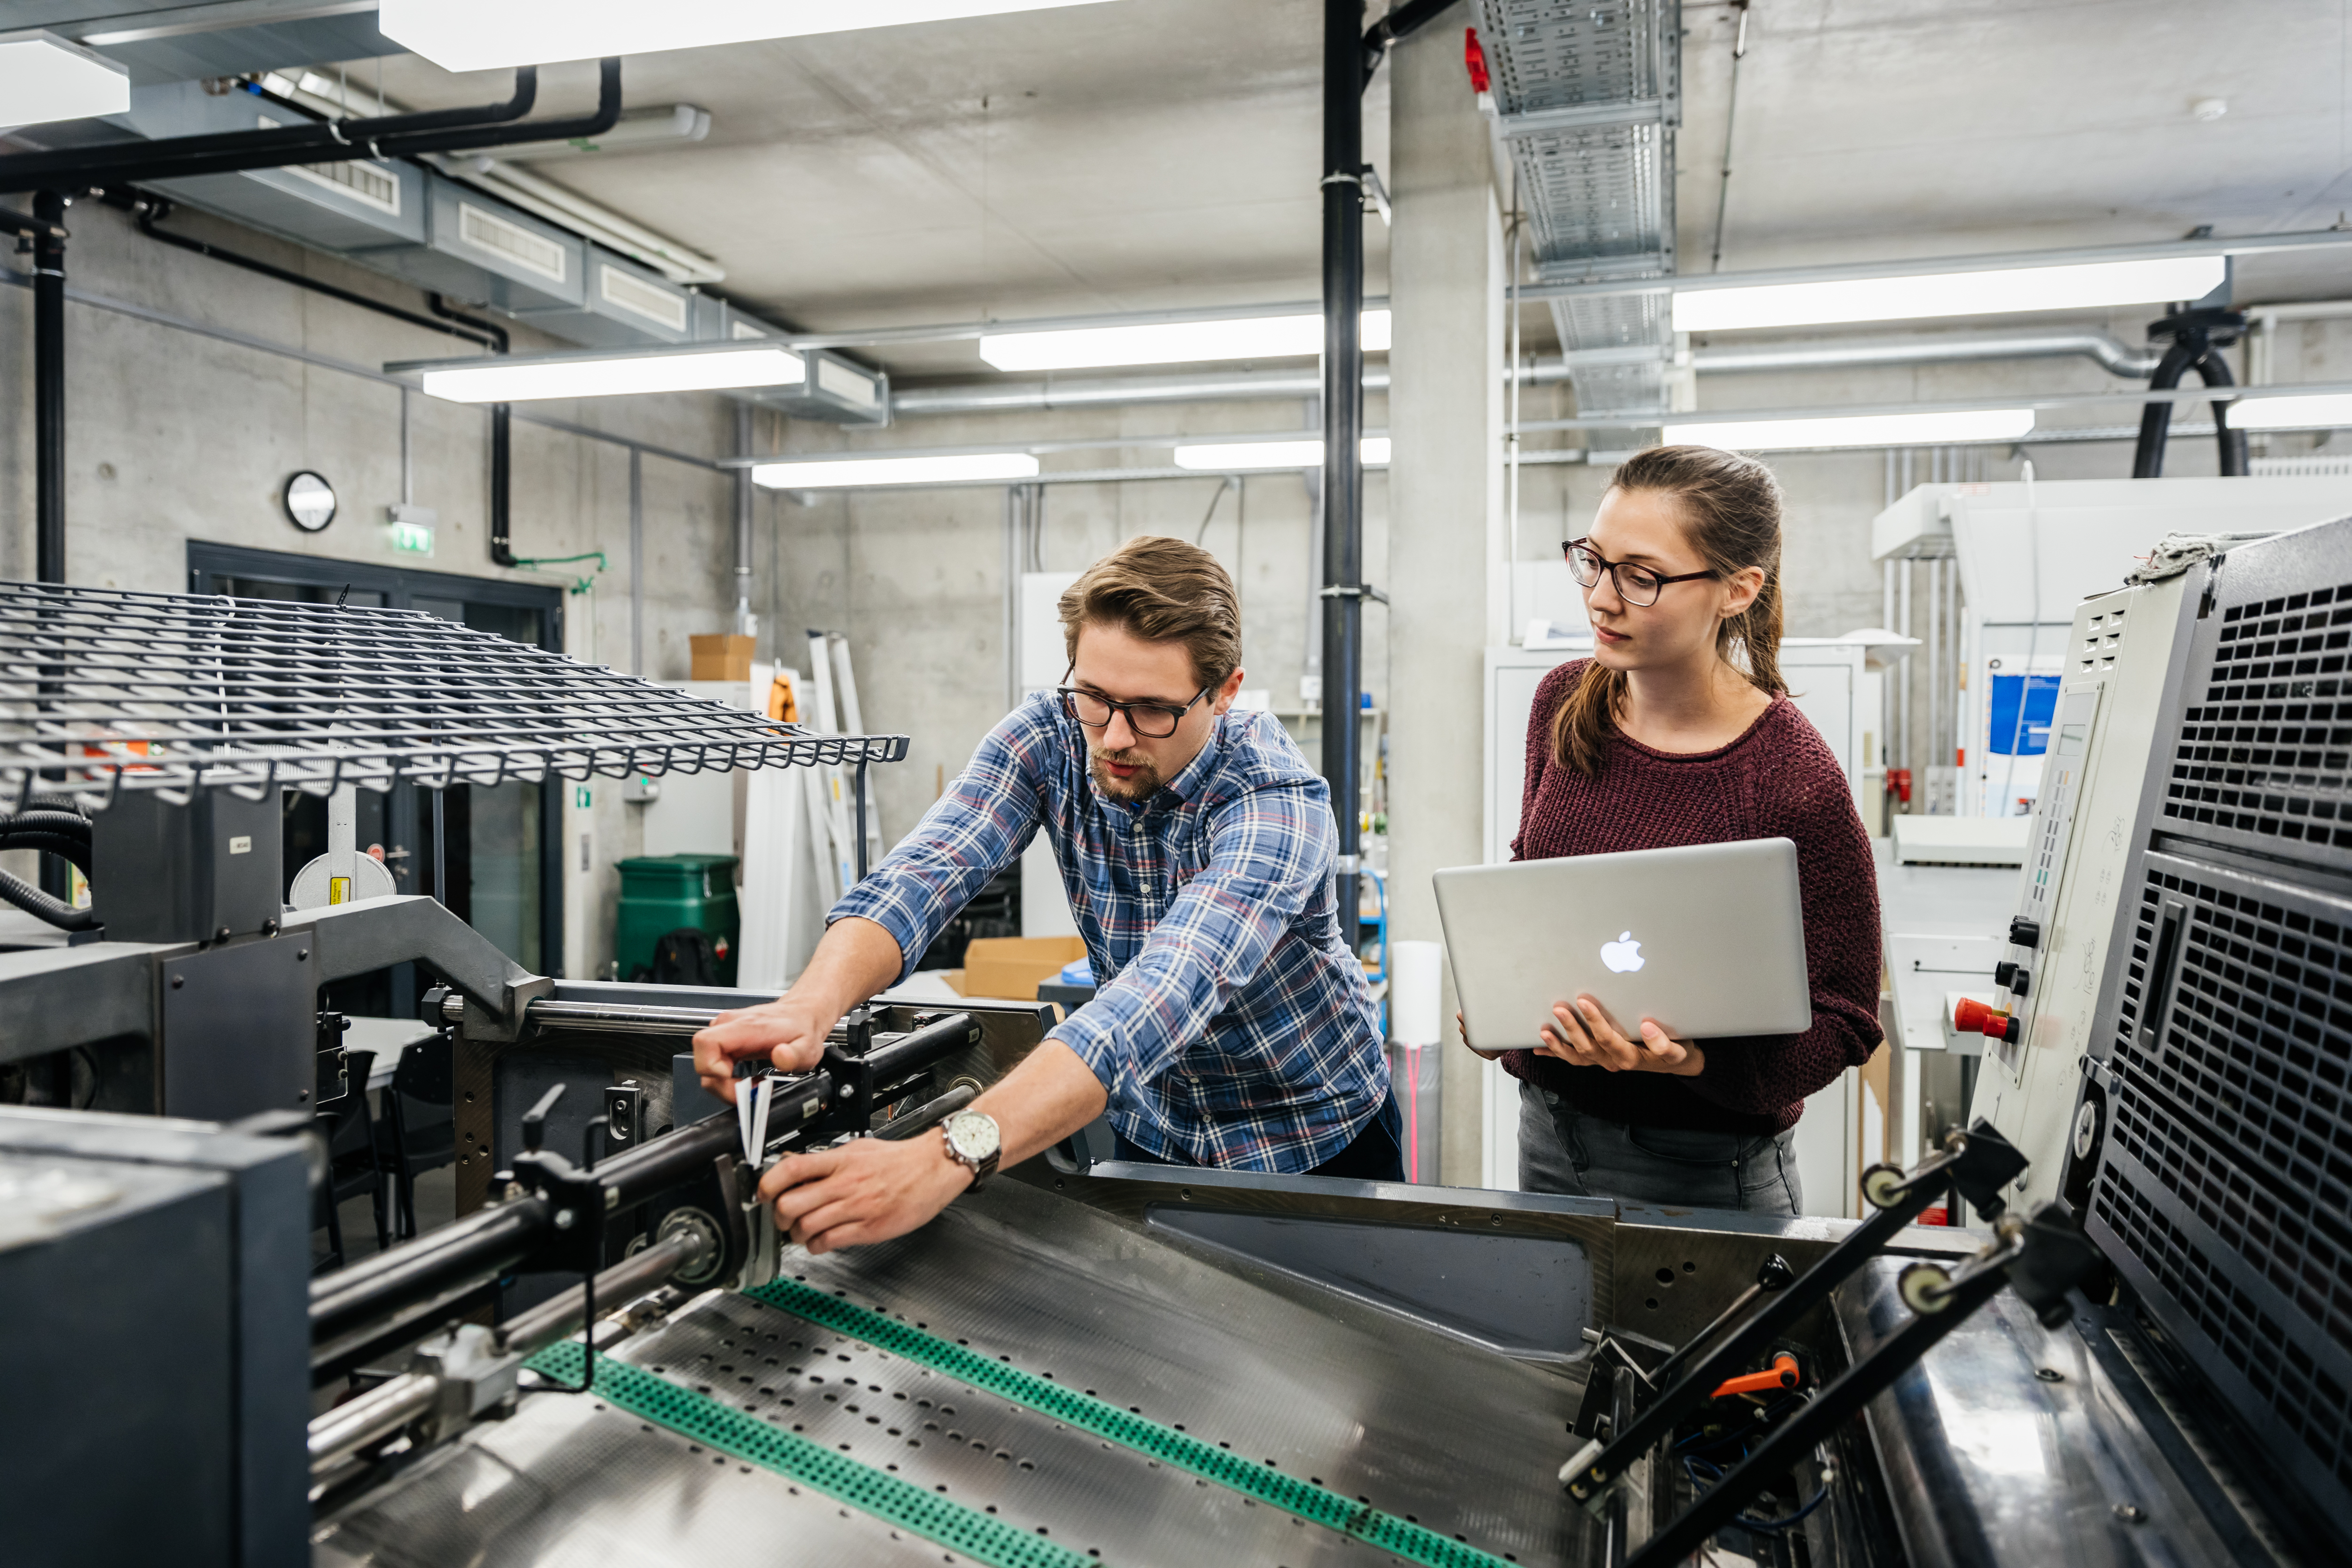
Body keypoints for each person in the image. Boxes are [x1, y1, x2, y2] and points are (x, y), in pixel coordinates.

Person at [693, 534, 1398, 1254]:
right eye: (1095, 697)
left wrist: (945, 1157)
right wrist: (809, 1005)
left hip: (1316, 1141)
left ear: (1224, 693)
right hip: (1158, 1128)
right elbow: (923, 875)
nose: (1115, 736)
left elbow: (1166, 988)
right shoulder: (1052, 734)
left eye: (1153, 708)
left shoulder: (1275, 800)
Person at [1468, 445, 1882, 1213]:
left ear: (1737, 589)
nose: (1601, 598)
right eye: (1593, 560)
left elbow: (1848, 1021)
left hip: (1709, 1172)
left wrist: (1693, 1064)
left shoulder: (1790, 774)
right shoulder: (1562, 704)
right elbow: (1542, 895)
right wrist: (1507, 1006)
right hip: (1550, 1139)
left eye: (1640, 575)